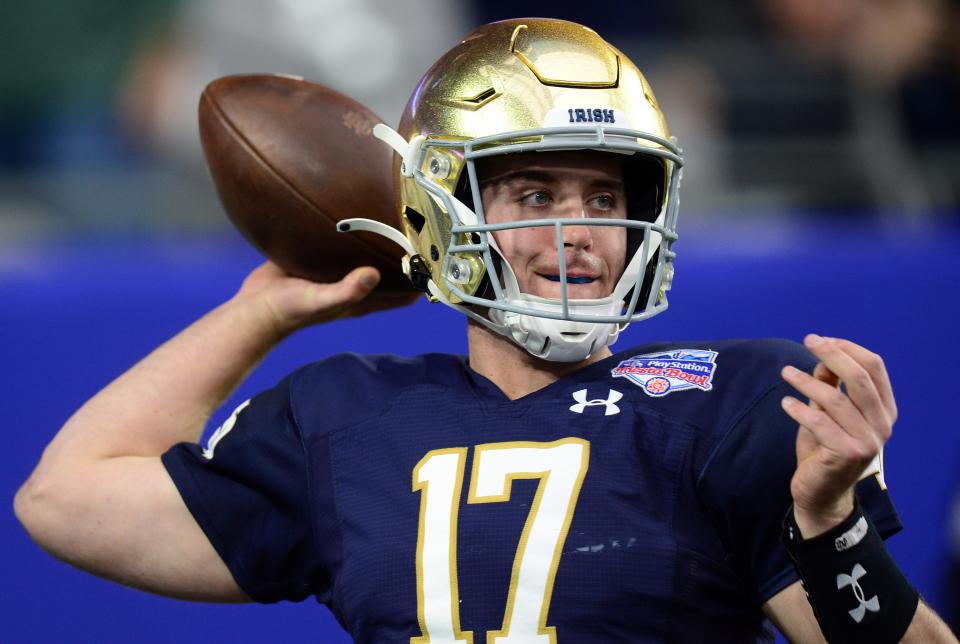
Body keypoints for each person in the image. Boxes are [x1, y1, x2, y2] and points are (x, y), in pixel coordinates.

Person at [14, 17, 957, 643]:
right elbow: (64, 498)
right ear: (442, 210)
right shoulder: (348, 417)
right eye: (535, 193)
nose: (580, 232)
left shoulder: (732, 400)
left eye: (605, 195)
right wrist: (259, 311)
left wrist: (830, 533)